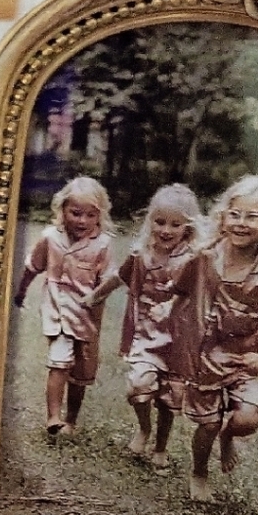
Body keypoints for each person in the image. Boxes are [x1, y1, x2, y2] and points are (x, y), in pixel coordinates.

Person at [83, 183, 201, 470]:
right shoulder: (140, 255)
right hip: (146, 333)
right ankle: (144, 428)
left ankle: (160, 447)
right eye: (160, 222)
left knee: (168, 398)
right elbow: (118, 277)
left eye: (175, 224)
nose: (166, 230)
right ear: (151, 221)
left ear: (188, 227)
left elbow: (205, 294)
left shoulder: (193, 261)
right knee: (138, 386)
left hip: (177, 339)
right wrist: (95, 296)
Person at [170, 174, 258, 502]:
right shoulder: (206, 257)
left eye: (253, 216)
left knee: (248, 419)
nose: (242, 223)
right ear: (224, 217)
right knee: (206, 424)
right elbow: (180, 293)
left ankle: (230, 434)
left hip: (248, 356)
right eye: (235, 214)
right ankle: (199, 471)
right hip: (207, 354)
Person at [13, 176, 114, 436]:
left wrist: (96, 300)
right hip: (57, 309)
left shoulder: (102, 245)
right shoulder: (50, 238)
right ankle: (53, 417)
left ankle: (71, 419)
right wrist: (20, 292)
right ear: (62, 209)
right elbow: (31, 268)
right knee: (59, 362)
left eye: (90, 215)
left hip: (87, 315)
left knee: (81, 372)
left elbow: (107, 281)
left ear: (99, 216)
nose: (82, 221)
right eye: (75, 213)